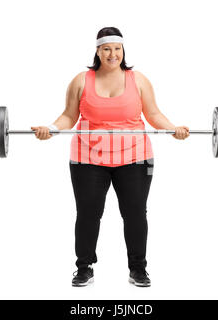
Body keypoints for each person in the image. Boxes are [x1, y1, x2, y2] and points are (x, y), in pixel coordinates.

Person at [31, 27, 189, 287]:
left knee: (136, 213)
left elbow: (154, 114)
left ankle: (138, 269)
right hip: (87, 158)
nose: (112, 54)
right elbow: (69, 116)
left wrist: (174, 129)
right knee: (88, 214)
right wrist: (52, 129)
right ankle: (84, 268)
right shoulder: (82, 80)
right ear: (97, 51)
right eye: (106, 49)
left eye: (117, 48)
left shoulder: (138, 80)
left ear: (123, 50)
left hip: (135, 157)